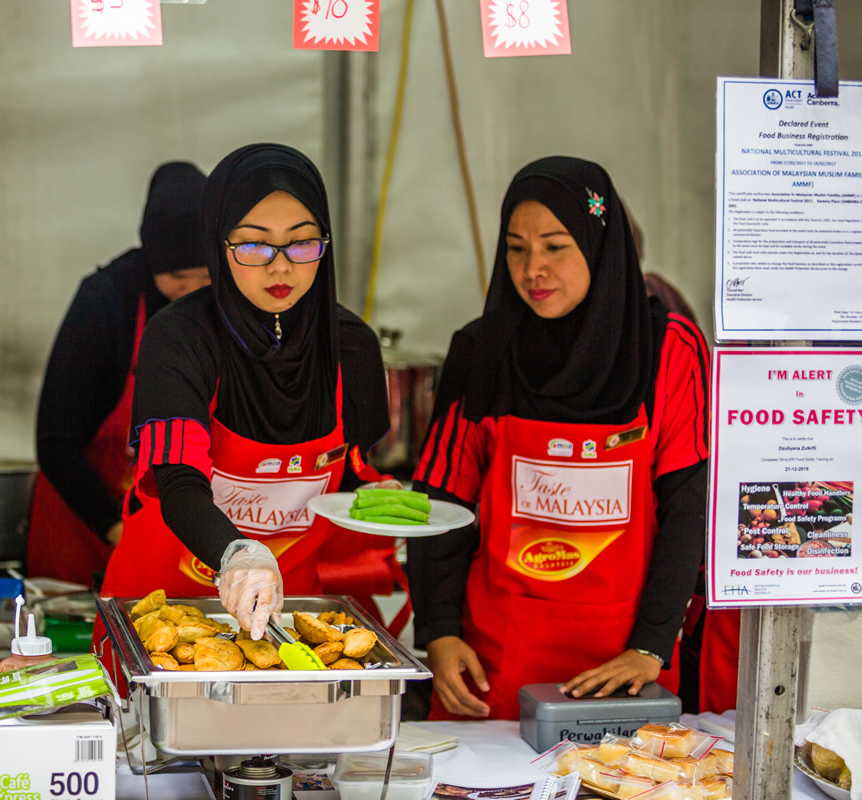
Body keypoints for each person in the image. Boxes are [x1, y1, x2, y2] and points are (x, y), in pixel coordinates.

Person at [408, 156, 710, 720]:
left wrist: (651, 645)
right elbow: (439, 500)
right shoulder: (482, 350)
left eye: (554, 246)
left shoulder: (669, 349)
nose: (532, 269)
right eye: (516, 248)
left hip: (621, 654)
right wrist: (439, 632)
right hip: (494, 653)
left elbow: (690, 506)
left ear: (600, 245)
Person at [98, 143, 391, 638]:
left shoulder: (352, 347)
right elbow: (179, 483)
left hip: (289, 610)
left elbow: (350, 470)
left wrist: (378, 499)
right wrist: (239, 552)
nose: (281, 267)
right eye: (254, 245)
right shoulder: (179, 338)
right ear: (219, 244)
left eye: (302, 243)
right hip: (162, 606)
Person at [26, 162, 209, 587]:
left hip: (170, 529)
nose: (194, 291)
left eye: (206, 277)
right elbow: (54, 442)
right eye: (179, 277)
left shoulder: (220, 305)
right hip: (82, 521)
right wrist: (116, 529)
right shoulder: (104, 301)